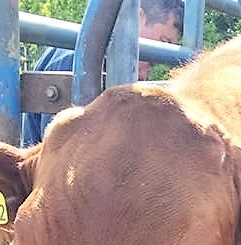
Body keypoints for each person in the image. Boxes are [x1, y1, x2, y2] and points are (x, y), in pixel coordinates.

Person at [22, 0, 184, 147]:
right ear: (138, 18)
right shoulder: (74, 59)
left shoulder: (104, 61)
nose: (157, 58)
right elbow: (58, 149)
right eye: (164, 41)